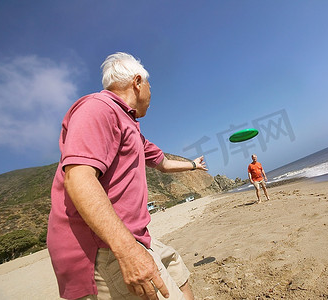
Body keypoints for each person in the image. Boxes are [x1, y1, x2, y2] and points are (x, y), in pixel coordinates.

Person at [47, 52, 208, 300]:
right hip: (103, 246)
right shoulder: (99, 108)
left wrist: (193, 167)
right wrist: (127, 252)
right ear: (137, 83)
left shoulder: (129, 124)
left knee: (177, 270)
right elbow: (79, 178)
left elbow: (163, 163)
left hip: (135, 236)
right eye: (150, 85)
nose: (151, 94)